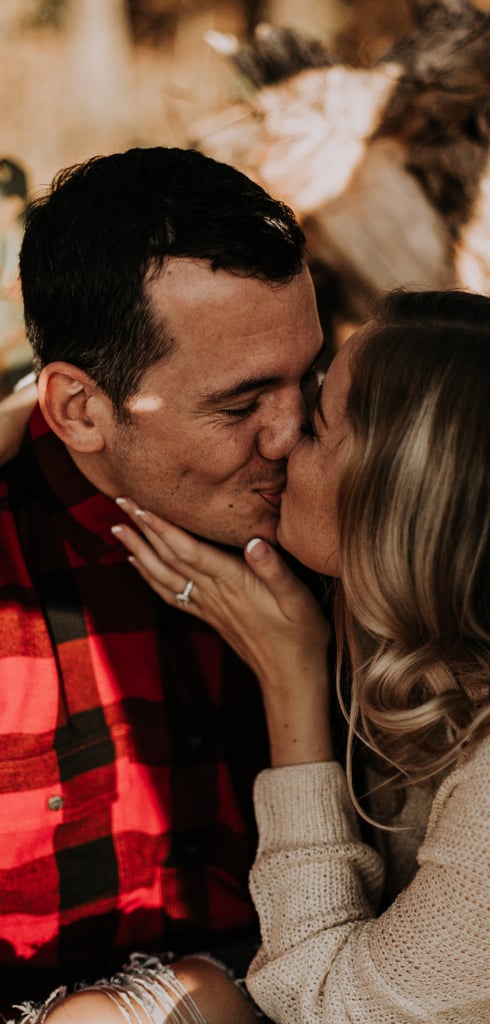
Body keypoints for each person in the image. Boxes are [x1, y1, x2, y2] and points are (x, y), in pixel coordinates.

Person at [113, 289, 490, 1023]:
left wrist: (290, 681)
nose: (281, 438)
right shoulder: (432, 635)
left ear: (403, 502)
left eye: (316, 425)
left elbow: (320, 1003)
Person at [0, 146, 323, 1021]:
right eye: (239, 403)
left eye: (308, 380)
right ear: (79, 411)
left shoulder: (344, 521)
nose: (291, 435)